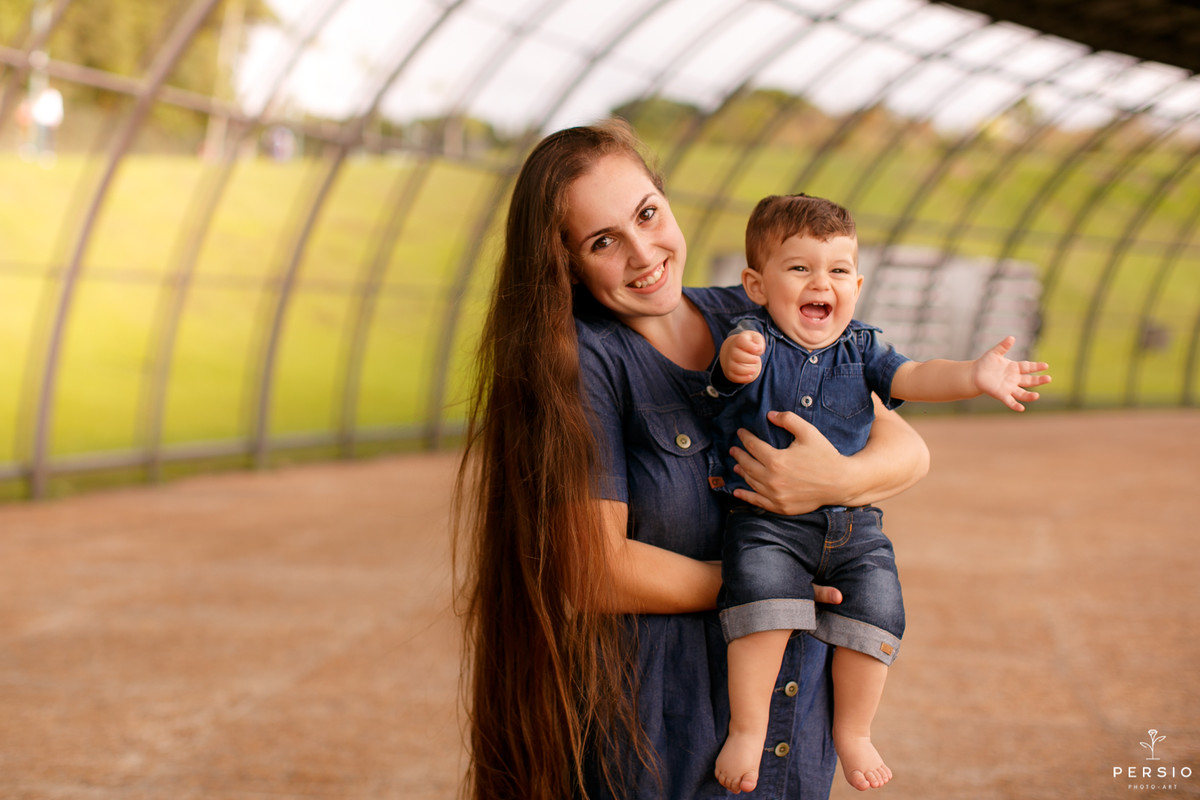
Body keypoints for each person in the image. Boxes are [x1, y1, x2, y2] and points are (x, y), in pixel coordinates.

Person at [454, 121, 931, 800]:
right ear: (566, 262)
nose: (644, 252)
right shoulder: (585, 362)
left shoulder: (758, 308)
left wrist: (839, 479)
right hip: (667, 737)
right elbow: (596, 572)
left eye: (647, 214)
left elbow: (908, 448)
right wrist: (774, 588)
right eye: (602, 241)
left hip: (797, 726)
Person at [708, 193, 1051, 794]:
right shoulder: (751, 338)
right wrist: (734, 362)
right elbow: (723, 378)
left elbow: (914, 376)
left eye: (838, 270)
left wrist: (973, 375)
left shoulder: (863, 348)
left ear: (857, 284)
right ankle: (747, 727)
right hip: (767, 524)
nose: (823, 282)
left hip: (853, 526)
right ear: (756, 285)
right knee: (758, 600)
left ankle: (856, 731)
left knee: (880, 608)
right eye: (800, 269)